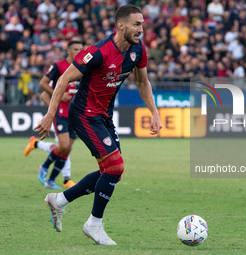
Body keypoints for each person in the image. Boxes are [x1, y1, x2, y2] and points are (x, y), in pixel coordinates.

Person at [35, 5, 162, 245]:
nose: (141, 29)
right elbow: (63, 79)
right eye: (136, 24)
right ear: (121, 25)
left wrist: (154, 112)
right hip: (83, 114)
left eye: (143, 24)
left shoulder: (138, 50)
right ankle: (94, 224)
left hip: (103, 116)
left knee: (112, 171)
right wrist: (50, 114)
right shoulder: (98, 52)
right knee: (114, 167)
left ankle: (59, 200)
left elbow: (143, 82)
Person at [33, 40, 83, 189]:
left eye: (81, 49)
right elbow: (43, 84)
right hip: (60, 112)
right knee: (64, 145)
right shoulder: (59, 66)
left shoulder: (82, 68)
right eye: (76, 49)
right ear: (68, 50)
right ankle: (45, 166)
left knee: (67, 149)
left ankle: (51, 180)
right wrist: (59, 96)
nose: (79, 51)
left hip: (75, 113)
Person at [23, 92, 74, 188]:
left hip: (73, 117)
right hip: (61, 117)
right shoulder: (62, 78)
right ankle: (66, 178)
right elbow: (43, 95)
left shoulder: (80, 78)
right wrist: (54, 111)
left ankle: (36, 144)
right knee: (64, 146)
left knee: (65, 148)